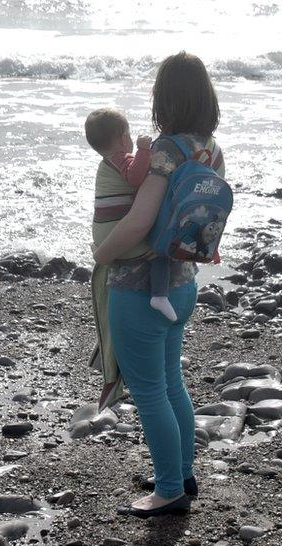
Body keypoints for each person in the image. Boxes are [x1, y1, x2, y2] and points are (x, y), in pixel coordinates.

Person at [93, 51, 224, 518]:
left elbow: (140, 219)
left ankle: (169, 490)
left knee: (150, 392)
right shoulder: (209, 147)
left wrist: (102, 252)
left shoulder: (167, 149)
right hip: (183, 282)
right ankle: (182, 473)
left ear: (163, 97)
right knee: (171, 383)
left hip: (139, 288)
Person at [85, 108, 179, 325]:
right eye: (128, 134)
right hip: (114, 235)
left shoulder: (108, 162)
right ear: (122, 137)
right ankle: (160, 295)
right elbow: (136, 177)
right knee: (160, 250)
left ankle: (159, 295)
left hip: (104, 232)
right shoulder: (120, 158)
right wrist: (144, 150)